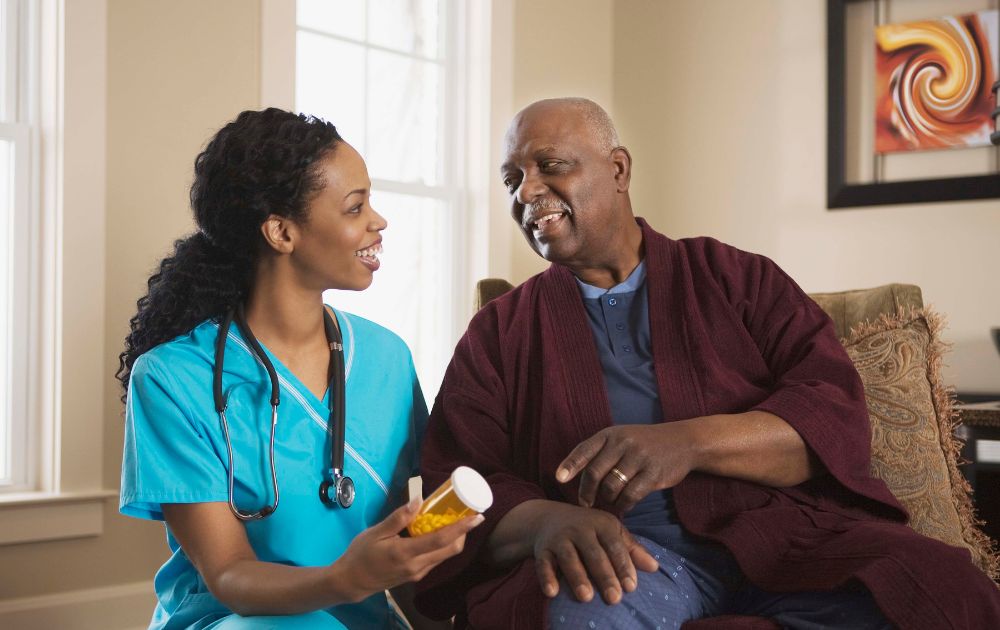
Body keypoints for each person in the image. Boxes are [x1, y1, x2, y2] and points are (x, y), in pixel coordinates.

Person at [414, 98, 1000, 629]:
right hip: (629, 560)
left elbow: (833, 417)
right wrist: (543, 521)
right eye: (512, 178)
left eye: (551, 166)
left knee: (941, 591)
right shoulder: (499, 332)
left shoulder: (738, 279)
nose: (526, 191)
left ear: (618, 170)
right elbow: (446, 496)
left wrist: (687, 443)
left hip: (786, 543)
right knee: (579, 618)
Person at [118, 108, 481, 629]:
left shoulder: (386, 358)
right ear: (281, 232)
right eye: (355, 208)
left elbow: (404, 538)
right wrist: (346, 579)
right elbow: (229, 576)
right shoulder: (172, 379)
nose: (378, 222)